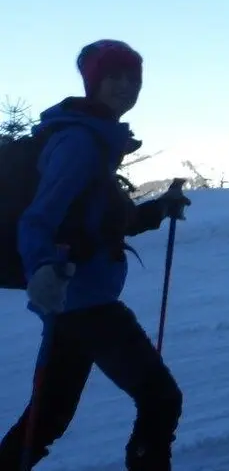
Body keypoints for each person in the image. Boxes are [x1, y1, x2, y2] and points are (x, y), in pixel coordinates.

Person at [0, 40, 192, 471]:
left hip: (73, 302)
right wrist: (42, 268)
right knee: (161, 398)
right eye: (114, 77)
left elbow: (96, 223)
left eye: (132, 79)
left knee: (46, 419)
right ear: (93, 83)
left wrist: (158, 209)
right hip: (85, 303)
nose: (125, 86)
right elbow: (38, 219)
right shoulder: (81, 143)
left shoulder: (96, 138)